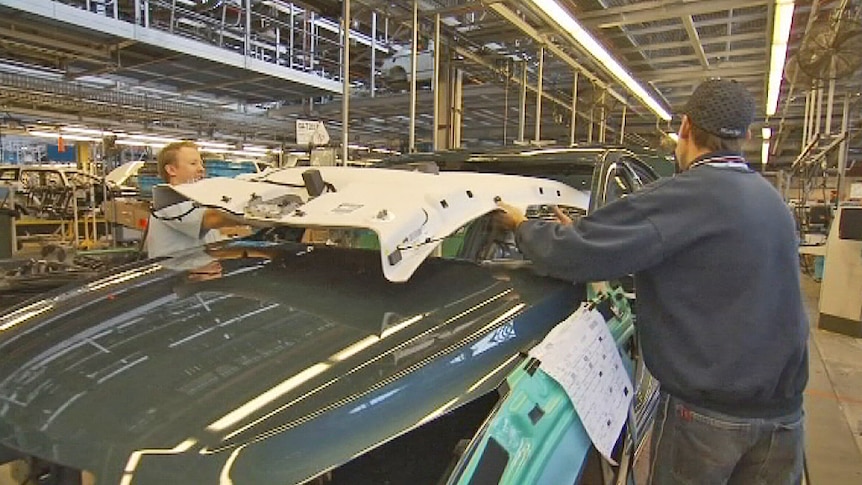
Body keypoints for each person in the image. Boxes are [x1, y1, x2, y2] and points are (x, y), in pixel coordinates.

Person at [496, 79, 808, 484]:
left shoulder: (683, 196)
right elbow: (705, 267)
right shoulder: (771, 202)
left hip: (708, 423)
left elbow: (572, 256)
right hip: (783, 419)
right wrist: (597, 237)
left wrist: (522, 225)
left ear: (685, 128)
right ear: (746, 136)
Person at [146, 141, 247, 258]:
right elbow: (215, 218)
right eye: (193, 163)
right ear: (171, 170)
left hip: (204, 269)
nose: (201, 169)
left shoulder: (195, 199)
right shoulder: (168, 200)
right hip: (180, 273)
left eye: (201, 164)